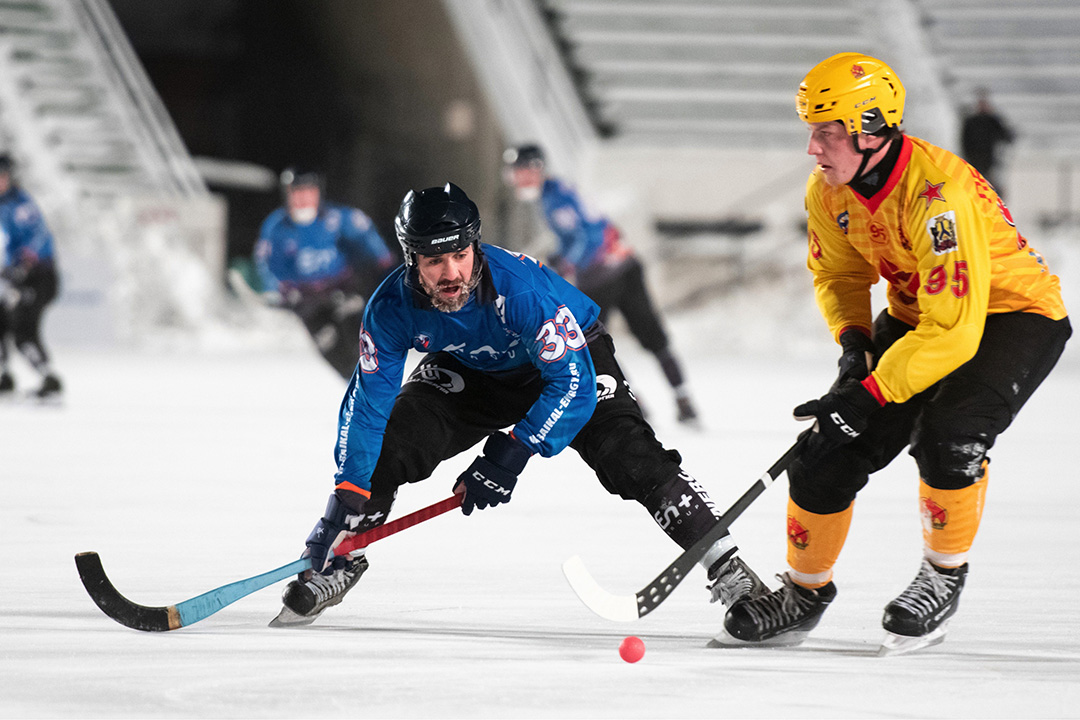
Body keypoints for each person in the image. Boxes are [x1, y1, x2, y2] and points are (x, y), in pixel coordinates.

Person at [270, 182, 764, 627]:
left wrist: (512, 451)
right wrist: (347, 492)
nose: (451, 273)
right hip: (475, 369)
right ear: (410, 261)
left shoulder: (518, 289)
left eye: (460, 254)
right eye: (433, 261)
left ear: (475, 246)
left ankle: (730, 568)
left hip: (571, 360)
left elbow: (569, 384)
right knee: (391, 442)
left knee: (629, 456)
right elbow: (367, 405)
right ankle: (345, 554)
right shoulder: (390, 308)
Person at [721, 53, 1070, 655]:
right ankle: (803, 593)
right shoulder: (830, 192)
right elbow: (838, 275)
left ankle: (942, 574)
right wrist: (855, 351)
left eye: (827, 132)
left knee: (948, 435)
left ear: (871, 129)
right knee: (825, 449)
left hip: (1012, 317)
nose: (813, 148)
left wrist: (875, 393)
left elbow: (956, 332)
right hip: (919, 318)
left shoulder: (940, 198)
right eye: (811, 131)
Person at [503, 144, 699, 425]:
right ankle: (682, 399)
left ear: (535, 169)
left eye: (521, 171)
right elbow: (586, 231)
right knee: (647, 337)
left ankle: (640, 402)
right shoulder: (557, 193)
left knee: (593, 343)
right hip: (624, 267)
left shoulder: (555, 198)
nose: (518, 179)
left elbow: (589, 236)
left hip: (603, 276)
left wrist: (566, 261)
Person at [253, 166, 396, 379]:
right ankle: (357, 389)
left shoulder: (337, 218)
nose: (303, 200)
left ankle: (381, 387)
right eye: (297, 194)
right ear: (288, 195)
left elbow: (365, 234)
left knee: (362, 338)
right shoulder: (277, 228)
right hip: (306, 300)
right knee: (334, 353)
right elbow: (267, 263)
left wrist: (383, 260)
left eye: (309, 193)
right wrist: (277, 289)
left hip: (342, 289)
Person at [0, 153, 63, 401]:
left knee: (23, 329)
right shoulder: (5, 204)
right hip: (18, 274)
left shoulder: (20, 204)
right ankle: (4, 375)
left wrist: (24, 264)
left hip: (38, 276)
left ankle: (49, 378)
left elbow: (37, 237)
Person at [960, 87, 1014, 198]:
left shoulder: (993, 120)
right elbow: (964, 141)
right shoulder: (971, 121)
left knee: (993, 185)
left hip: (991, 161)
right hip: (975, 160)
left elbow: (1008, 137)